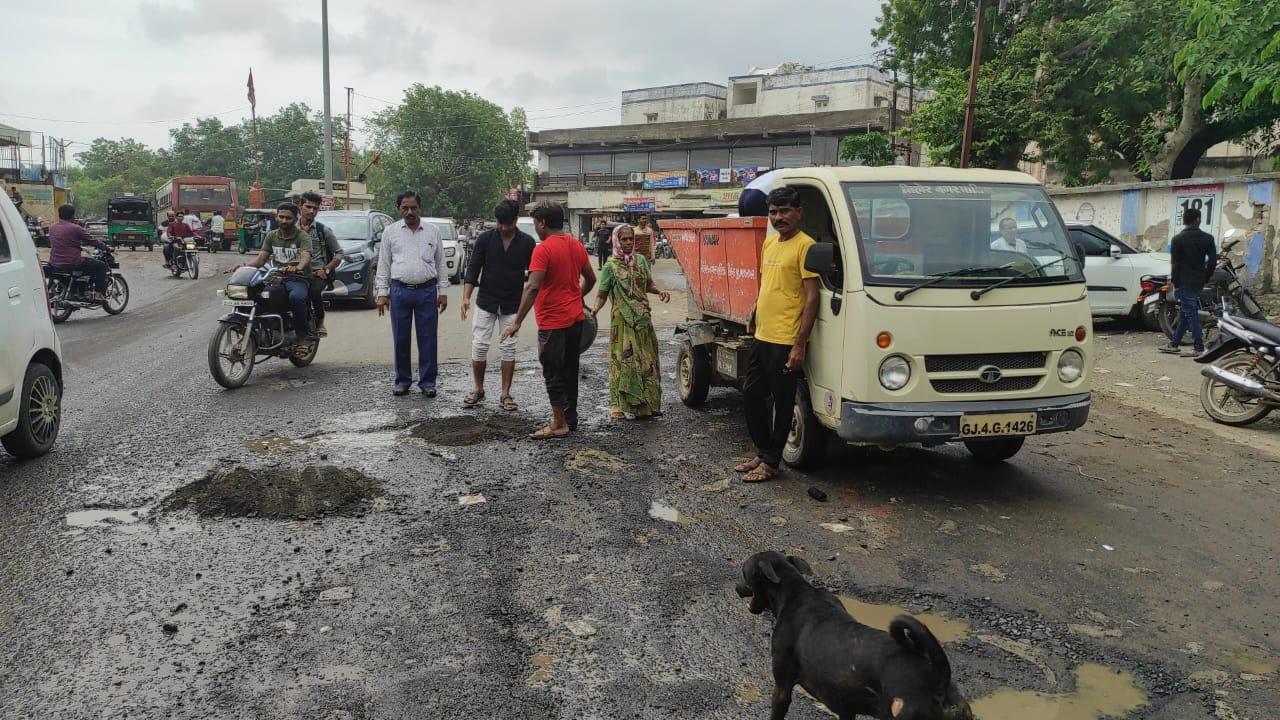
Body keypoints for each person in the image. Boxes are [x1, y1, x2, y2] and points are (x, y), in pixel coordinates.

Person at [734, 187, 819, 483]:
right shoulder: (769, 244)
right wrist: (755, 309)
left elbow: (811, 298)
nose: (778, 217)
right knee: (751, 394)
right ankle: (763, 451)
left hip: (785, 339)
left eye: (785, 211)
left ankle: (771, 463)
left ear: (799, 213)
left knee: (783, 403)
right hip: (763, 334)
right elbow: (769, 283)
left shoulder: (806, 246)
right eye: (773, 212)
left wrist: (799, 345)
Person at [501, 200, 596, 439]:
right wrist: (576, 297)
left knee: (553, 373)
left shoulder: (542, 249)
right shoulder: (576, 245)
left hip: (553, 323)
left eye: (535, 222)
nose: (535, 227)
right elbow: (591, 279)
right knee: (569, 371)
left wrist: (517, 321)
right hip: (576, 320)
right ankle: (569, 419)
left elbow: (532, 287)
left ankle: (558, 424)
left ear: (543, 223)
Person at [461, 199, 536, 410]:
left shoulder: (528, 243)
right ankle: (478, 388)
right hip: (486, 301)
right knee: (479, 345)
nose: (503, 227)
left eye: (508, 223)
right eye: (500, 223)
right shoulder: (484, 239)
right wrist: (466, 297)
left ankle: (506, 394)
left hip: (513, 303)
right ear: (496, 221)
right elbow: (473, 269)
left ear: (515, 221)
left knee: (509, 348)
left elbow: (533, 276)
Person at [590, 223, 670, 420]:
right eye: (624, 239)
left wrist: (660, 291)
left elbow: (648, 283)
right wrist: (593, 310)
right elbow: (602, 294)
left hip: (643, 319)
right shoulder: (610, 266)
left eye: (630, 239)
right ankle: (617, 405)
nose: (627, 242)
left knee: (647, 360)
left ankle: (648, 404)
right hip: (622, 321)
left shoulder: (641, 261)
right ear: (617, 240)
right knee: (624, 361)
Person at [374, 190, 449, 397]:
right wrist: (382, 293)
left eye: (413, 207)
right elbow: (384, 264)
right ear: (399, 209)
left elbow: (440, 262)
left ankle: (427, 382)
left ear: (420, 208)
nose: (409, 212)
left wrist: (442, 291)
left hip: (426, 291)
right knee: (401, 338)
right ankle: (402, 381)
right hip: (399, 291)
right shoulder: (390, 232)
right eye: (404, 208)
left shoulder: (432, 231)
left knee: (428, 338)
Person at [235, 202, 313, 347]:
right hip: (275, 278)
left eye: (288, 218)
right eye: (281, 217)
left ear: (295, 219)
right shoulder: (271, 236)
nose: (283, 220)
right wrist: (242, 267)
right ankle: (266, 327)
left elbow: (306, 255)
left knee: (296, 298)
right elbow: (260, 260)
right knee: (256, 294)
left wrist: (298, 267)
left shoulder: (302, 236)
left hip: (298, 279)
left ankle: (303, 337)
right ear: (276, 217)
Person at [1160, 207, 1217, 356]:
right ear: (1197, 220)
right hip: (1198, 281)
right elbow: (1212, 262)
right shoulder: (1208, 238)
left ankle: (1198, 348)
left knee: (1190, 313)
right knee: (1186, 313)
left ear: (1185, 220)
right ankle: (1174, 343)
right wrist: (1206, 277)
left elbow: (1175, 264)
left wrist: (1175, 282)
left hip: (1183, 281)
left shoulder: (1177, 239)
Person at [298, 192, 342, 337]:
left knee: (314, 292)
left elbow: (339, 253)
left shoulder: (322, 230)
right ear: (300, 206)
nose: (311, 211)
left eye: (315, 208)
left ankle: (320, 322)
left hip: (317, 273)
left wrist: (326, 269)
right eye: (308, 206)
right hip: (294, 273)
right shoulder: (290, 228)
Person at [48, 204, 112, 302]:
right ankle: (98, 294)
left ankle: (77, 291)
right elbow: (92, 240)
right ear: (72, 216)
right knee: (101, 266)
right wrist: (107, 248)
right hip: (72, 262)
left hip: (54, 262)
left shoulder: (52, 228)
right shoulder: (76, 228)